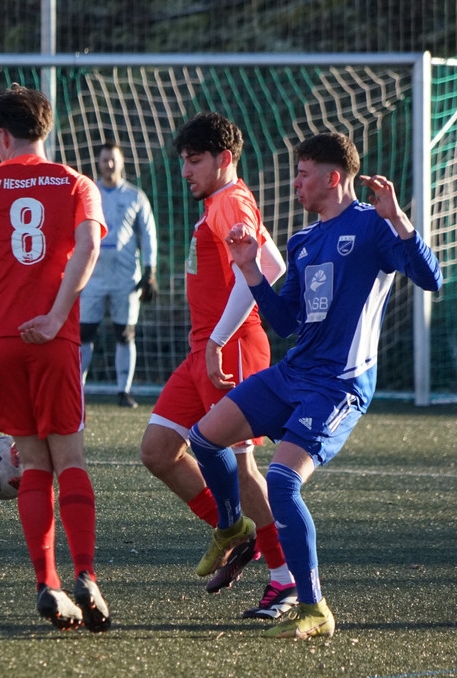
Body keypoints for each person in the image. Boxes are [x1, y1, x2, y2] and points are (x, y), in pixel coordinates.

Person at [189, 132, 442, 639]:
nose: (295, 184)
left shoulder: (373, 226)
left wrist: (398, 218)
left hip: (338, 384)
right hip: (294, 373)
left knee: (282, 482)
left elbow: (431, 277)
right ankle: (232, 526)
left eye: (303, 175)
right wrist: (250, 270)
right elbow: (287, 323)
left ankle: (313, 607)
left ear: (333, 177)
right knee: (203, 438)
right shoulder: (303, 241)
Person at [0, 84, 111, 633]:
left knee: (34, 464)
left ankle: (49, 584)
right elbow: (88, 248)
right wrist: (56, 315)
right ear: (44, 128)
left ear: (1, 136)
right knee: (70, 458)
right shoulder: (77, 183)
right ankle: (86, 574)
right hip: (54, 336)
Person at [139, 112, 297, 619]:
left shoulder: (229, 200)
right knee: (159, 451)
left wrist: (219, 339)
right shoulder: (221, 201)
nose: (185, 170)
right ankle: (235, 531)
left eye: (195, 160)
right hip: (203, 350)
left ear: (224, 159)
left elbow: (267, 266)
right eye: (183, 161)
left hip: (228, 349)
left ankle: (286, 579)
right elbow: (272, 258)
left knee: (243, 467)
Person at [79, 142, 158, 408]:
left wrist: (150, 270)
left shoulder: (136, 197)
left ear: (122, 162)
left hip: (125, 279)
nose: (109, 165)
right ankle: (76, 390)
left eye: (113, 160)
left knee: (125, 333)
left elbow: (148, 235)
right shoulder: (88, 193)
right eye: (105, 160)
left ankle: (123, 391)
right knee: (84, 334)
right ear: (98, 163)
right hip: (91, 276)